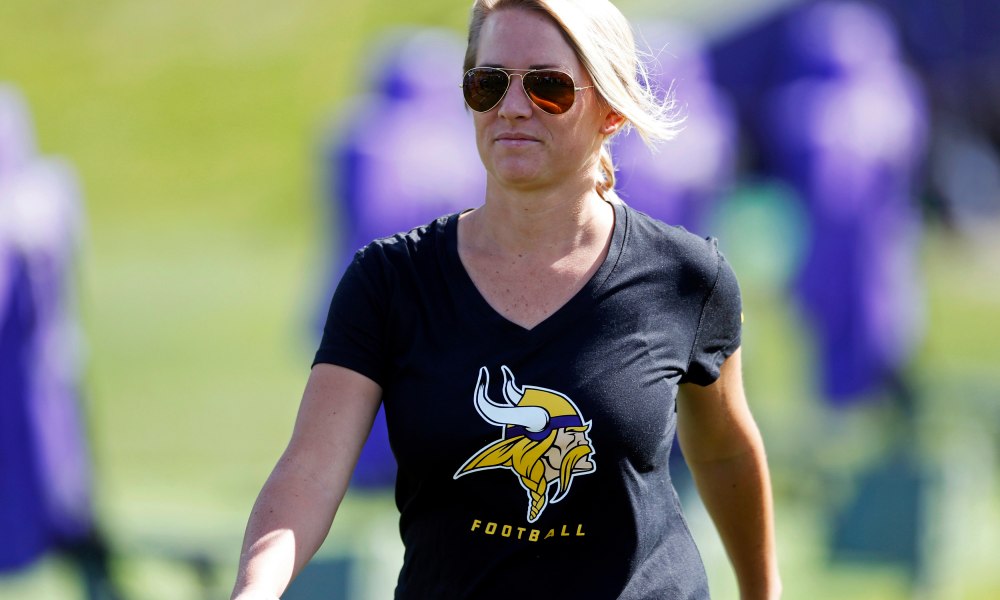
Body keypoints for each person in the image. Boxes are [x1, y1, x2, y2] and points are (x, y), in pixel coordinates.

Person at [231, 1, 781, 598]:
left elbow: (726, 454)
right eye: (488, 84)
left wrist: (762, 592)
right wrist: (254, 591)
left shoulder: (688, 276)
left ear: (612, 111)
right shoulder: (390, 280)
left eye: (549, 87)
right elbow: (310, 472)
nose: (512, 108)